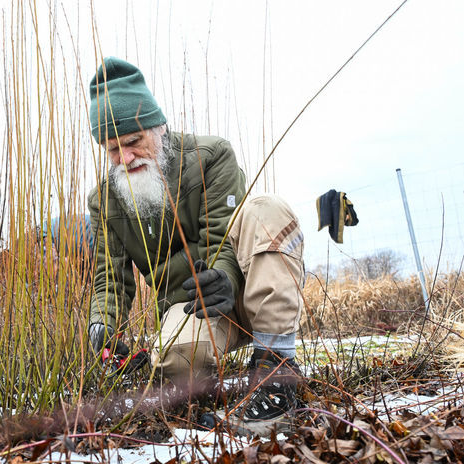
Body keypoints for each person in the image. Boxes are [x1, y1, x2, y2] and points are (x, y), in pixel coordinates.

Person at [86, 57, 306, 437]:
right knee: (177, 360)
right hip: (190, 306)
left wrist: (224, 277)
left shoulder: (211, 156)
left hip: (241, 288)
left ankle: (277, 375)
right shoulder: (104, 200)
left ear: (158, 127)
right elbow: (111, 279)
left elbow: (222, 235)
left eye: (133, 142)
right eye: (112, 150)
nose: (125, 158)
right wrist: (101, 326)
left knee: (265, 208)